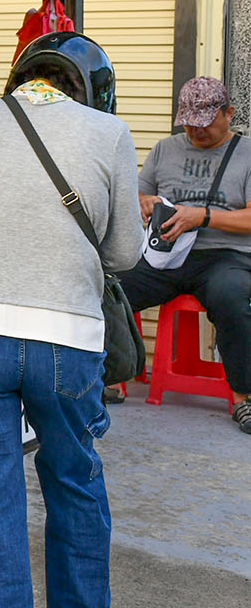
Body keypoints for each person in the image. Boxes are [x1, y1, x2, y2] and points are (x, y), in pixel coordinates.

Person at [0, 32, 141, 608]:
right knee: (73, 481)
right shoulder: (109, 134)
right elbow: (123, 253)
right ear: (95, 90)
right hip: (65, 337)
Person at [117, 76, 251, 434]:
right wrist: (144, 203)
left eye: (204, 124)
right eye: (189, 123)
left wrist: (202, 216)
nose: (196, 131)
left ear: (229, 114)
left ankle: (244, 396)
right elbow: (136, 196)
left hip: (226, 254)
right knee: (112, 287)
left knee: (231, 297)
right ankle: (111, 376)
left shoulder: (247, 153)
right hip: (168, 254)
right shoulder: (165, 149)